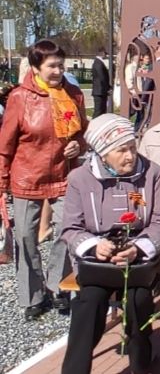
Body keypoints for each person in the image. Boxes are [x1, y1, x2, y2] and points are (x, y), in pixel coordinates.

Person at [60, 114, 160, 374]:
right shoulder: (79, 179)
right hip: (98, 262)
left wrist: (139, 248)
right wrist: (94, 246)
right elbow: (70, 228)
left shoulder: (151, 173)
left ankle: (141, 363)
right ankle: (74, 369)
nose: (130, 156)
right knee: (89, 302)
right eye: (121, 150)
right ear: (101, 152)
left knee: (138, 300)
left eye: (132, 147)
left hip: (139, 260)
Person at [0, 39, 89, 319]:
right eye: (51, 66)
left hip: (65, 175)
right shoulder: (20, 97)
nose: (57, 71)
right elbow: (5, 145)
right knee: (26, 237)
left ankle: (58, 285)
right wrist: (2, 183)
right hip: (27, 178)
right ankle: (32, 297)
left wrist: (79, 144)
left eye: (61, 65)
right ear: (37, 67)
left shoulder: (73, 94)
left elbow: (83, 132)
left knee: (67, 230)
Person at [91, 51, 110, 118]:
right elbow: (102, 77)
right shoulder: (98, 63)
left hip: (100, 91)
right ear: (102, 54)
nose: (106, 56)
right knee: (98, 111)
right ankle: (94, 125)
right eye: (106, 54)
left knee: (102, 110)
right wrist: (107, 88)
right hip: (99, 91)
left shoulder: (98, 62)